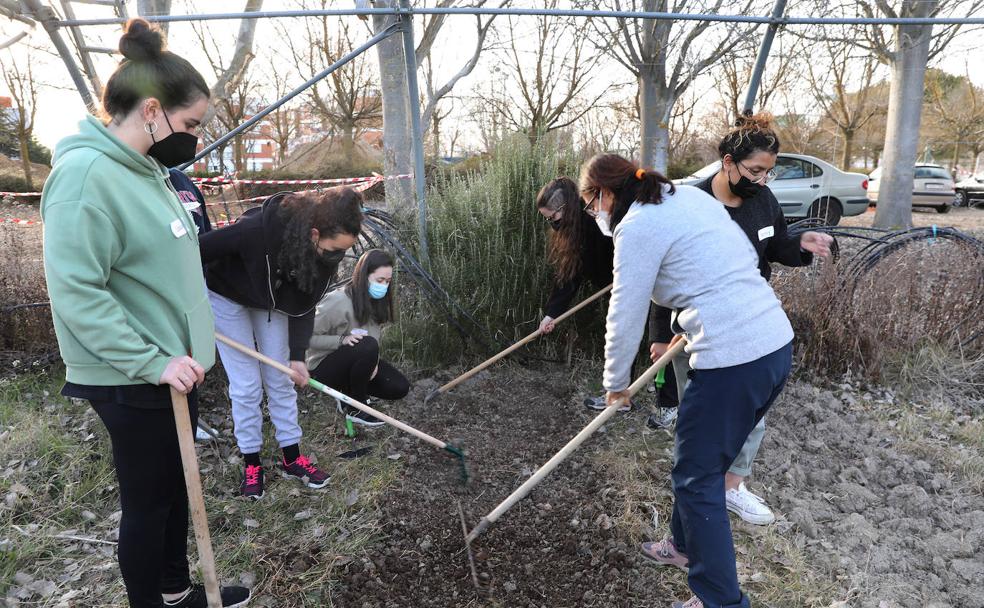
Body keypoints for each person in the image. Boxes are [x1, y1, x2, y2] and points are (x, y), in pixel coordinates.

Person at [41, 18, 249, 608]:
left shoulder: (151, 174)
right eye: (190, 125)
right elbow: (77, 290)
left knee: (174, 488)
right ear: (152, 111)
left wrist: (187, 352)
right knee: (148, 498)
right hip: (132, 374)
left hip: (173, 365)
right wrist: (152, 360)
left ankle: (177, 590)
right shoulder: (85, 178)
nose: (195, 137)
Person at [582, 153, 793, 608]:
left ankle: (720, 601)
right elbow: (726, 259)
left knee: (697, 480)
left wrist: (615, 383)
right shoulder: (681, 195)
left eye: (590, 202)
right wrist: (689, 316)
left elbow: (626, 310)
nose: (593, 212)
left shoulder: (636, 226)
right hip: (774, 344)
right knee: (702, 462)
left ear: (605, 194)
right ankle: (681, 547)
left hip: (734, 359)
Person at [646, 113, 832, 526]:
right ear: (727, 162)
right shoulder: (689, 204)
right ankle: (694, 487)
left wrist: (800, 243)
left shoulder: (762, 201)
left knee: (751, 414)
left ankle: (731, 488)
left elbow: (776, 246)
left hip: (748, 328)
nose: (762, 180)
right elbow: (663, 272)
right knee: (696, 415)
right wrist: (659, 335)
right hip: (695, 332)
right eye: (755, 170)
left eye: (768, 172)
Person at [199, 187, 362, 500]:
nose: (337, 257)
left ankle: (292, 457)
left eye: (344, 250)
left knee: (281, 378)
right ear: (314, 234)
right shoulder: (254, 233)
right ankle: (252, 463)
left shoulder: (322, 256)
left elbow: (304, 302)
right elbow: (194, 250)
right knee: (246, 385)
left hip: (269, 300)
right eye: (334, 249)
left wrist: (298, 357)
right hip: (225, 295)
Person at [536, 177, 660, 412]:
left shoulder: (597, 223)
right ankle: (622, 393)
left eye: (552, 217)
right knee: (622, 335)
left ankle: (628, 398)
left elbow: (627, 250)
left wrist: (623, 281)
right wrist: (552, 314)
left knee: (635, 335)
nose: (551, 223)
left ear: (566, 208)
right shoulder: (572, 230)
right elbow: (569, 275)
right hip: (615, 286)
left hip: (635, 281)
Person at [307, 249, 410, 427]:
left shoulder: (376, 302)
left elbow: (372, 343)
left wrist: (373, 363)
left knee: (399, 387)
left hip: (355, 361)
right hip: (320, 368)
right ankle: (356, 407)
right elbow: (304, 337)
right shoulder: (337, 301)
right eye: (379, 280)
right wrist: (340, 340)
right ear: (364, 277)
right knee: (367, 345)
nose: (384, 286)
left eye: (388, 281)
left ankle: (347, 393)